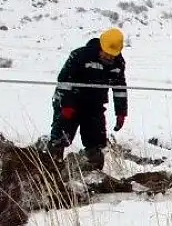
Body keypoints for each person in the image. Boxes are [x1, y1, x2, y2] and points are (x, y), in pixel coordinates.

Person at [46, 28, 128, 170]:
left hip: (94, 106)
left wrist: (121, 113)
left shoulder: (118, 64)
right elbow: (64, 81)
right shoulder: (80, 56)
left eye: (112, 55)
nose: (108, 58)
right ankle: (50, 170)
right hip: (70, 102)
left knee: (96, 142)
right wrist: (66, 105)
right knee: (60, 138)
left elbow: (120, 89)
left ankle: (93, 175)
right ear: (101, 45)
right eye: (106, 54)